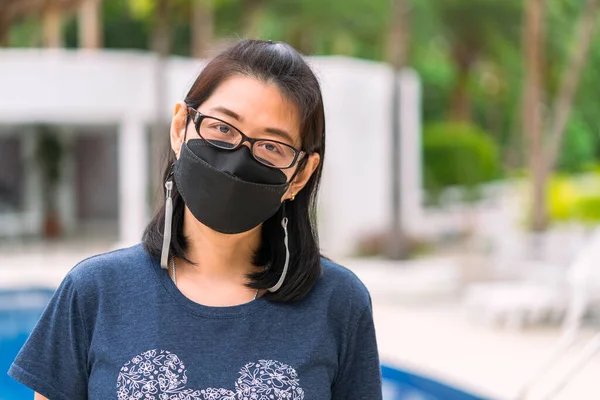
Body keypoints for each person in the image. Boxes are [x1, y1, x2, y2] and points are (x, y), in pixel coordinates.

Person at [9, 39, 382, 400]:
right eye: (222, 128)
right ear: (180, 128)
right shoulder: (93, 292)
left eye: (271, 146)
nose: (237, 158)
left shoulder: (339, 303)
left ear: (300, 175)